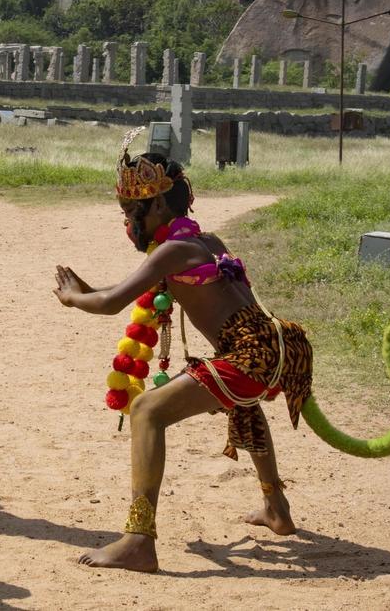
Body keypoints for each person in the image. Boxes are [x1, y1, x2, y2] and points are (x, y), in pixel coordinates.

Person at [53, 148, 313, 573]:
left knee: (146, 410)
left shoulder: (172, 250)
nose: (127, 223)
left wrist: (72, 298)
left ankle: (138, 540)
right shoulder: (204, 242)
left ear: (156, 204)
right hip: (277, 346)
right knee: (242, 402)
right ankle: (276, 507)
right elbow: (118, 293)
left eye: (130, 211)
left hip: (249, 357)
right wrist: (87, 291)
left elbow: (111, 303)